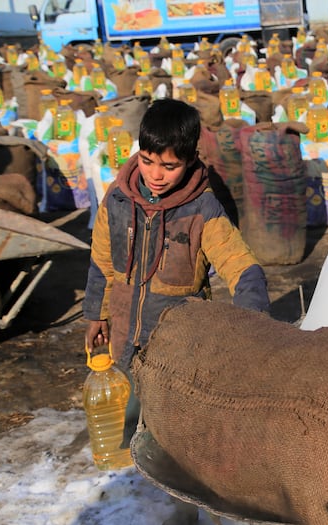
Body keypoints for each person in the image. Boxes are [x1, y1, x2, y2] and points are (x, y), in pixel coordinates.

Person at [83, 98, 271, 443]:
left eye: (169, 166)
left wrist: (253, 330)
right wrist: (97, 312)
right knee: (130, 419)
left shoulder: (203, 208)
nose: (156, 175)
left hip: (180, 343)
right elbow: (101, 261)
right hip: (125, 334)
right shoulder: (118, 200)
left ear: (189, 160)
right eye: (147, 161)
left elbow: (242, 267)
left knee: (176, 431)